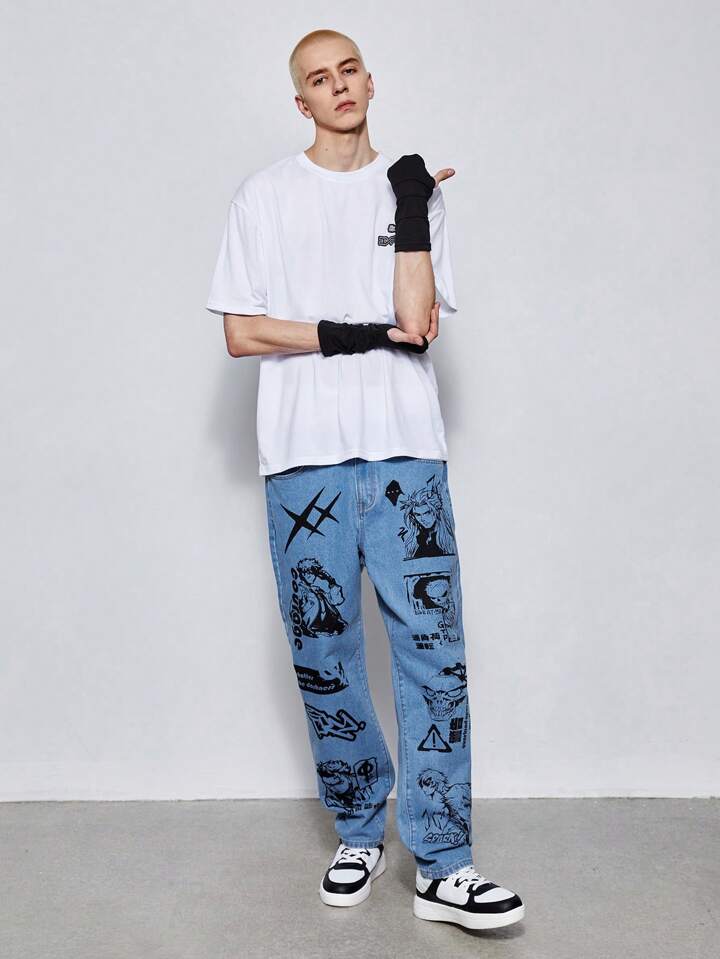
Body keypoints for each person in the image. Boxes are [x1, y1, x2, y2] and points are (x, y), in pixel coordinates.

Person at [206, 28, 525, 931]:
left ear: (370, 83)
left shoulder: (411, 191)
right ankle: (358, 829)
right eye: (319, 78)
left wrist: (412, 204)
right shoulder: (263, 197)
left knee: (434, 650)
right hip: (301, 459)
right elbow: (240, 331)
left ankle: (445, 863)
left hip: (403, 451)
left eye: (348, 70)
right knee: (323, 650)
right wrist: (345, 333)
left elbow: (416, 323)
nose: (337, 86)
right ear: (300, 101)